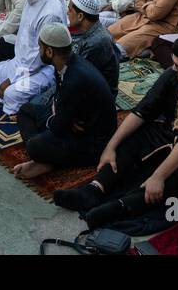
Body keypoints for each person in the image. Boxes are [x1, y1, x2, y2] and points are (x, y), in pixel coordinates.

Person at [54, 36, 178, 227]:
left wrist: (158, 177)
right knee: (133, 139)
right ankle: (93, 190)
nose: (173, 69)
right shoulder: (177, 72)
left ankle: (119, 208)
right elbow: (143, 110)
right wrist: (110, 147)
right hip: (171, 132)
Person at [12, 22, 118, 181]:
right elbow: (58, 104)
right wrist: (61, 114)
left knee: (35, 145)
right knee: (26, 111)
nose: (39, 51)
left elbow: (57, 126)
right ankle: (44, 159)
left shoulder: (74, 79)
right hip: (74, 121)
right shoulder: (67, 62)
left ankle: (46, 161)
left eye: (40, 47)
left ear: (49, 51)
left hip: (93, 141)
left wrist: (61, 117)